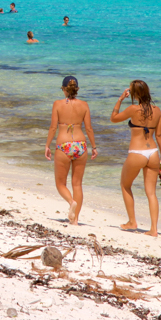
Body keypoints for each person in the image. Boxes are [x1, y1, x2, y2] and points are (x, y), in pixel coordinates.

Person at [110, 80, 161, 237]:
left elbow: (113, 118)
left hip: (137, 153)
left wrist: (120, 99)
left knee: (125, 185)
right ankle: (154, 229)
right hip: (153, 152)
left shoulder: (133, 109)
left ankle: (132, 221)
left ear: (134, 94)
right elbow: (159, 135)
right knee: (151, 193)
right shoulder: (158, 110)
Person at [45, 76, 97, 225]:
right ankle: (75, 220)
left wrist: (47, 145)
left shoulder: (57, 104)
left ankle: (71, 202)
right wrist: (94, 147)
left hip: (64, 145)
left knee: (61, 183)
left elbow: (53, 127)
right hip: (81, 145)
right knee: (77, 184)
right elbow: (89, 128)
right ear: (77, 89)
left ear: (63, 89)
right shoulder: (84, 105)